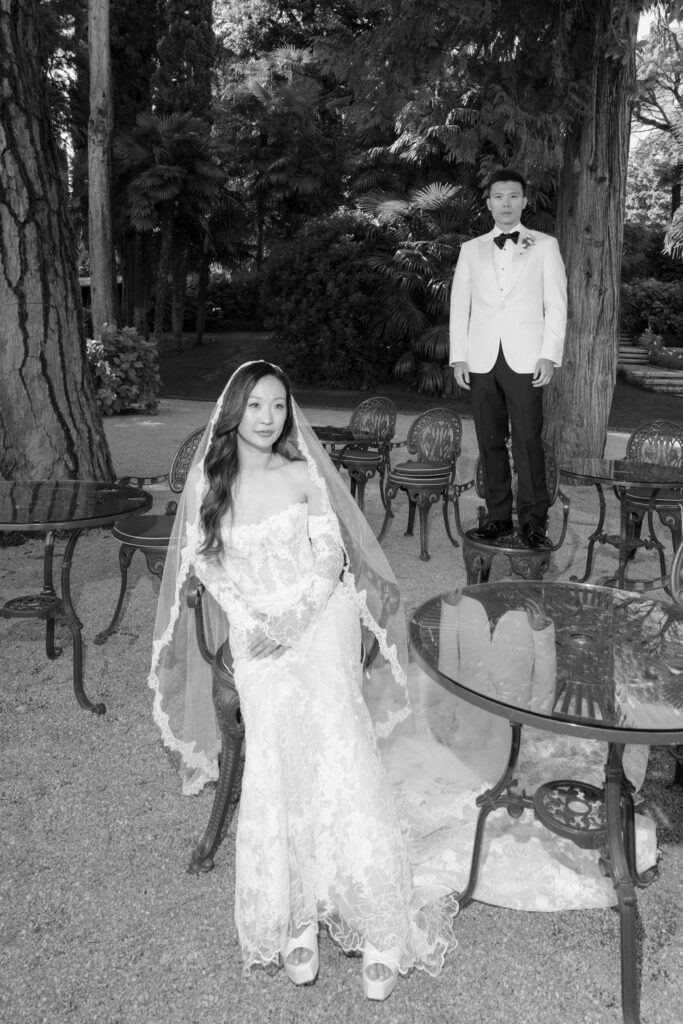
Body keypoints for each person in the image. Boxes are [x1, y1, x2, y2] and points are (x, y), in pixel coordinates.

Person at [148, 360, 456, 1000]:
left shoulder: (302, 474)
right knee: (278, 742)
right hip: (253, 625)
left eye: (279, 407)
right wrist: (249, 620)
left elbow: (329, 562)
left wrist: (290, 622)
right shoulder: (211, 480)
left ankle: (378, 919)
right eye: (257, 406)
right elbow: (206, 563)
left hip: (320, 617)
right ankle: (297, 911)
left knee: (337, 731)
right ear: (234, 410)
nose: (269, 418)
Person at [449, 168, 567, 548]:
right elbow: (459, 307)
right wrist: (458, 357)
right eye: (499, 196)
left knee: (528, 442)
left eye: (513, 196)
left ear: (524, 201)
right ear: (488, 202)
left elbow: (556, 305)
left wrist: (549, 354)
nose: (506, 203)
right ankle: (498, 519)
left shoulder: (545, 246)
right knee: (490, 440)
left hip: (526, 359)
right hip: (481, 360)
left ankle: (534, 522)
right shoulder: (470, 249)